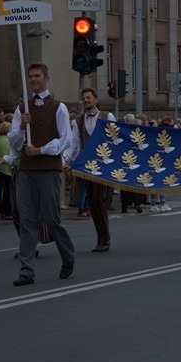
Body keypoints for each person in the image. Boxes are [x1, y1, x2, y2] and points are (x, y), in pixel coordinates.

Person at [8, 63, 75, 286]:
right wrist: (20, 128)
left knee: (51, 218)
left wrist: (41, 150)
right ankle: (26, 271)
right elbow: (15, 143)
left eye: (37, 76)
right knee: (27, 221)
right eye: (30, 77)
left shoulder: (59, 107)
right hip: (26, 169)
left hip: (48, 169)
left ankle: (68, 257)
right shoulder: (21, 108)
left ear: (46, 78)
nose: (34, 80)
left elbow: (65, 139)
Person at [64, 87, 116, 252]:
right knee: (92, 203)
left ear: (96, 100)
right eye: (83, 98)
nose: (85, 100)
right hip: (87, 165)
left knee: (98, 199)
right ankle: (101, 237)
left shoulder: (107, 116)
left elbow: (114, 139)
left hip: (102, 164)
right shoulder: (78, 121)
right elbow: (74, 143)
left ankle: (104, 239)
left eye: (88, 98)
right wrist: (67, 160)